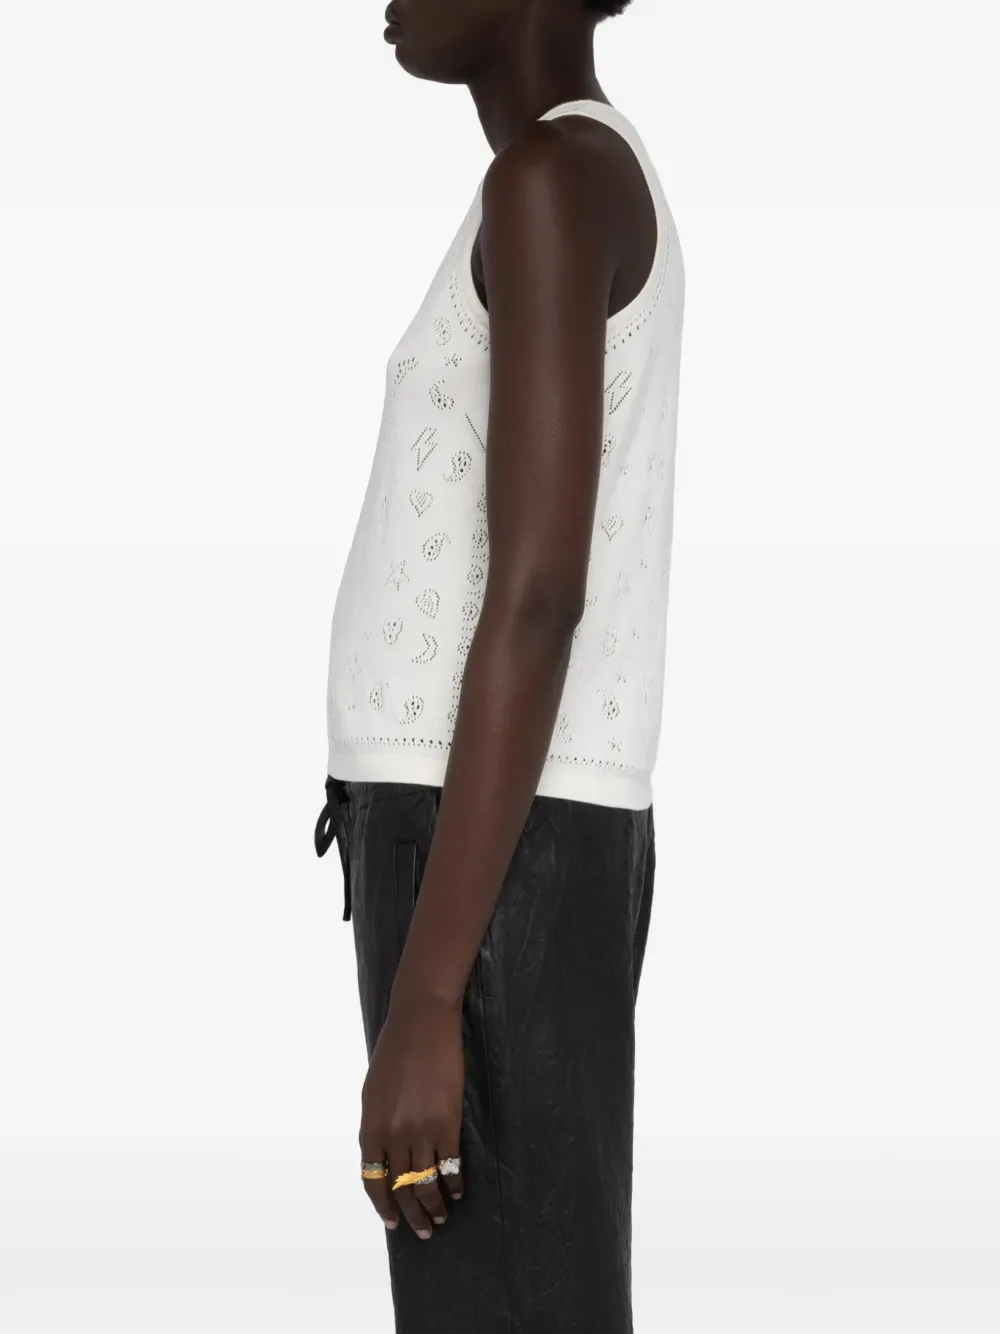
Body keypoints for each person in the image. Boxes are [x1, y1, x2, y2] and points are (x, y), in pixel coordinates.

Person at [314, 0, 685, 1328]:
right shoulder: (561, 175)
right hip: (506, 838)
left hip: (487, 848)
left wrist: (429, 990)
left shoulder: (552, 178)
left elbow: (536, 597)